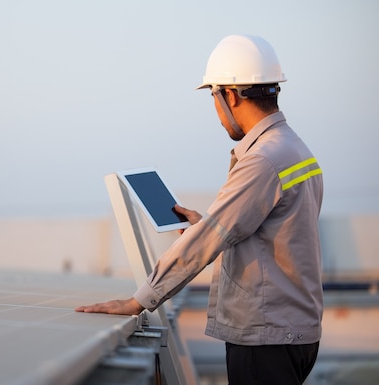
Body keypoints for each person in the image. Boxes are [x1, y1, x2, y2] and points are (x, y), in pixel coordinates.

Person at [75, 34, 324, 385]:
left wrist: (139, 301)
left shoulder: (263, 161)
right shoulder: (295, 149)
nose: (216, 110)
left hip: (265, 337)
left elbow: (206, 243)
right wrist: (207, 223)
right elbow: (273, 231)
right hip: (294, 332)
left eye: (213, 96)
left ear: (230, 95)